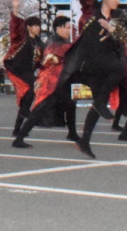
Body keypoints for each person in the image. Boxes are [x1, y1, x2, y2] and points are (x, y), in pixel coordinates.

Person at [72, 0, 127, 153]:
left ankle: (84, 141)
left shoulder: (118, 16)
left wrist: (111, 28)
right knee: (120, 67)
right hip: (88, 59)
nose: (117, 1)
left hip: (105, 61)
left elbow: (122, 35)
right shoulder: (92, 10)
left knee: (100, 103)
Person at [11, 15, 79, 149]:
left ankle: (72, 133)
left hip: (60, 81)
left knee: (70, 104)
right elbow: (57, 54)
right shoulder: (53, 42)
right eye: (67, 28)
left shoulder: (60, 41)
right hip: (50, 83)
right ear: (58, 28)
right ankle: (19, 138)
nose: (68, 30)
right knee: (39, 110)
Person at [4, 0, 42, 138]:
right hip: (16, 68)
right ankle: (26, 112)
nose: (38, 28)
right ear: (28, 27)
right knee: (32, 86)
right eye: (35, 25)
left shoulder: (38, 42)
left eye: (39, 25)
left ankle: (17, 129)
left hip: (28, 71)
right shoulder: (21, 37)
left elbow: (41, 58)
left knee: (27, 98)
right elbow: (14, 25)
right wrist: (15, 8)